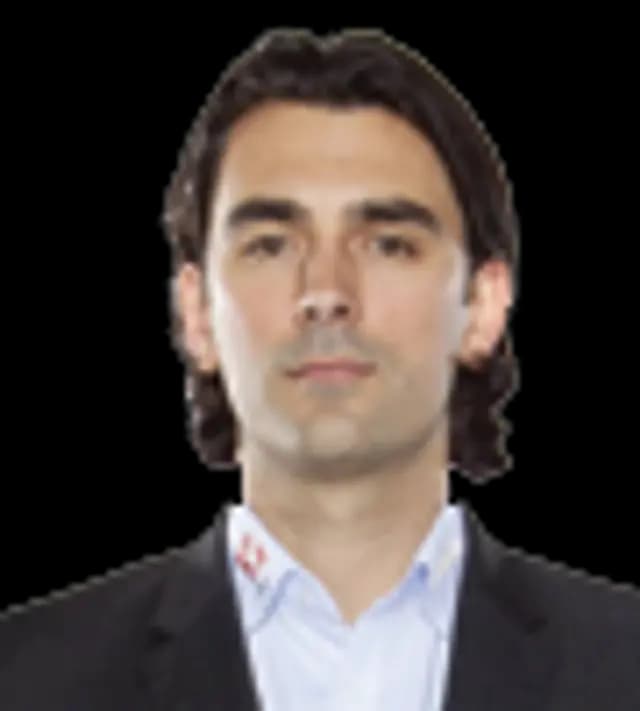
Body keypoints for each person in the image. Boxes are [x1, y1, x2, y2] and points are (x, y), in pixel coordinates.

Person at [1, 27, 638, 711]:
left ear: (482, 306)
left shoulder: (628, 662)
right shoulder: (24, 677)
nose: (326, 290)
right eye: (271, 244)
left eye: (388, 244)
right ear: (196, 311)